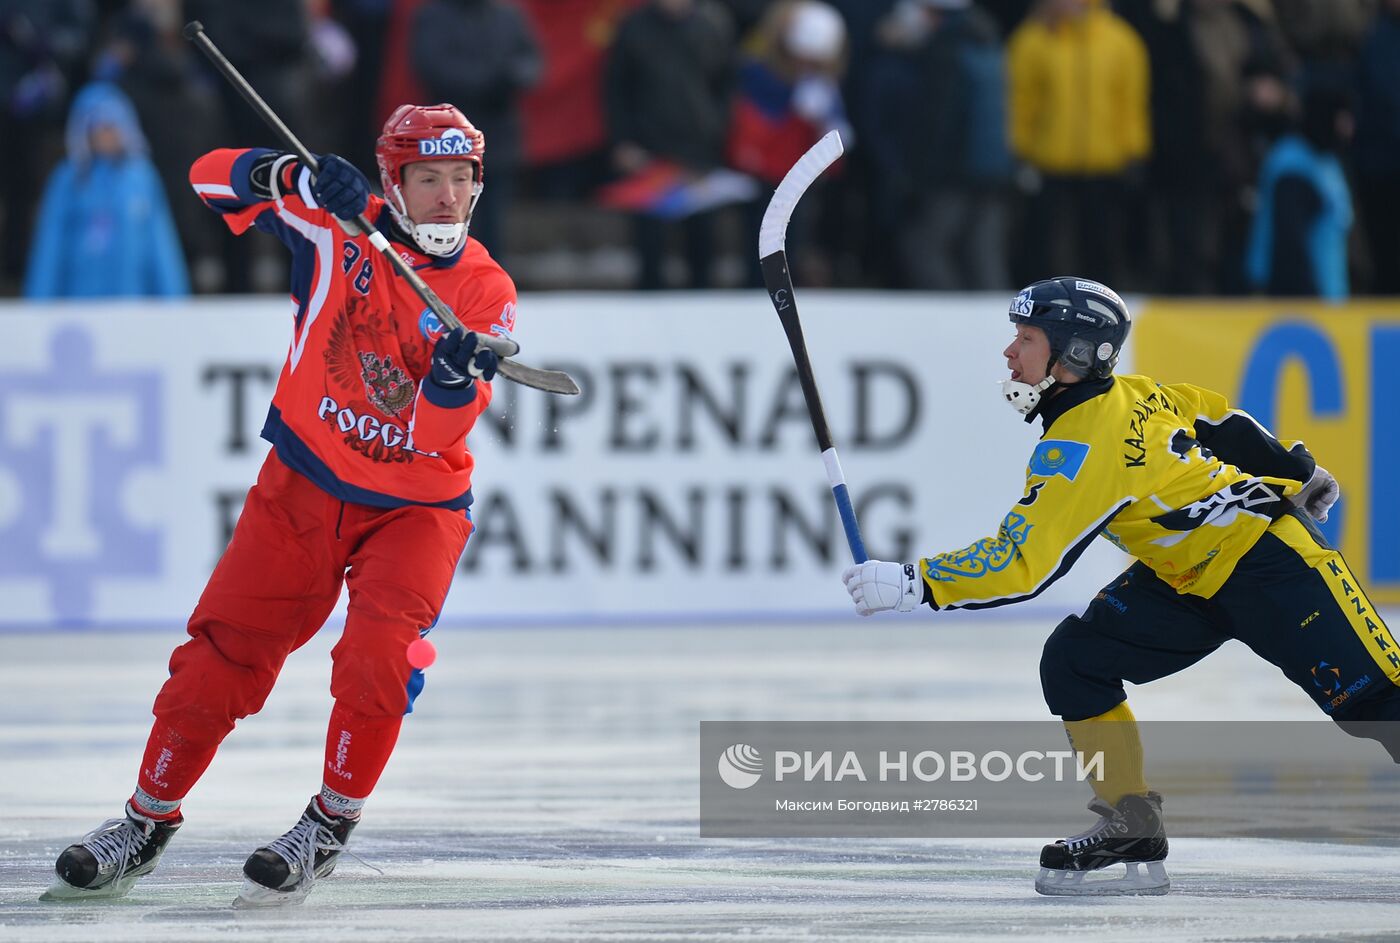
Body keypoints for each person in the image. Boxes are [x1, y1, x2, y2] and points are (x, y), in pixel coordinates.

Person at [43, 103, 516, 908]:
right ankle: (145, 821)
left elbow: (435, 430)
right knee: (218, 657)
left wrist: (450, 375)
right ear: (393, 180)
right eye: (425, 177)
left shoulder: (484, 290)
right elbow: (205, 178)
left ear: (477, 187)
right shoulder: (336, 223)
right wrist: (289, 175)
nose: (444, 196)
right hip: (301, 484)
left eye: (459, 180)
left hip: (416, 509)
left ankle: (327, 823)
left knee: (378, 659)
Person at [842, 276, 1398, 896]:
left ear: (1075, 355)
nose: (1008, 353)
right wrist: (1300, 468)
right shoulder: (1137, 392)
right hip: (1185, 580)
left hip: (1270, 564)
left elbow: (1022, 564)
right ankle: (1132, 825)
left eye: (1025, 339)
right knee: (1078, 659)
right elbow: (1219, 417)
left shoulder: (1081, 445)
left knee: (1379, 709)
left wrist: (915, 583)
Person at [24, 81, 189, 298]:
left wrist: (176, 303)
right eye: (99, 127)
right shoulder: (68, 179)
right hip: (79, 309)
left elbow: (161, 245)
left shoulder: (142, 177)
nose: (106, 134)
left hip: (132, 306)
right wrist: (38, 305)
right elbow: (50, 247)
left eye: (113, 125)